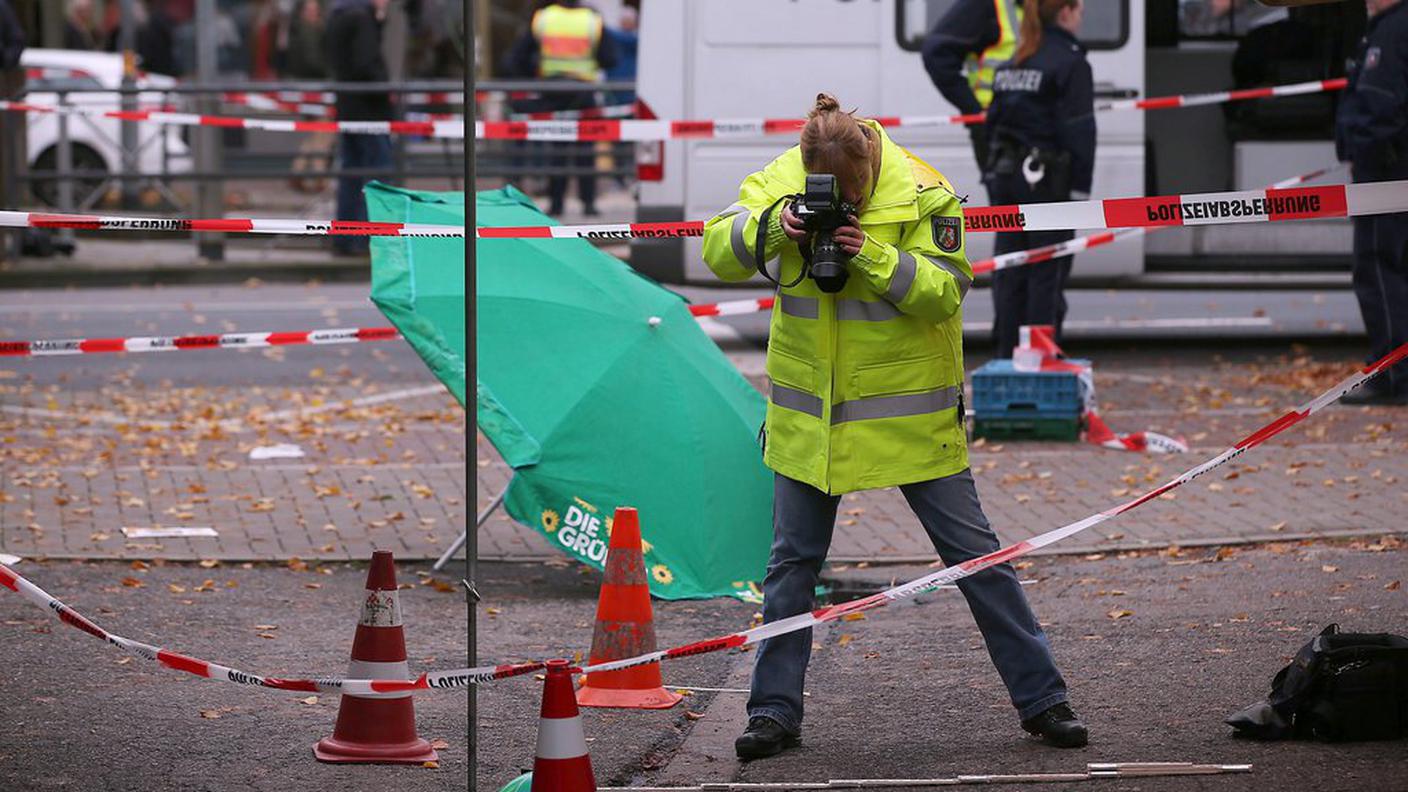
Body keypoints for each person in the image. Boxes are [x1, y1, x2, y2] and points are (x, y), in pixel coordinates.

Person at [702, 93, 1087, 761]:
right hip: (812, 424)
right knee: (790, 570)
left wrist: (870, 254)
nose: (838, 205)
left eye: (849, 197)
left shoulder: (924, 191)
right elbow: (717, 250)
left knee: (979, 560)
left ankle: (1045, 700)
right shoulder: (785, 177)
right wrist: (775, 225)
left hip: (909, 421)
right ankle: (771, 714)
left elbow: (946, 290)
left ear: (868, 166)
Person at [982, 0, 1094, 358]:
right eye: (1079, 9)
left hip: (1007, 180)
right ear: (1065, 12)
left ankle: (1005, 357)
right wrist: (1079, 193)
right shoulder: (1071, 62)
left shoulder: (1011, 63)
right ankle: (1037, 359)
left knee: (1010, 268)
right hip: (1048, 184)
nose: (1082, 15)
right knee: (1046, 272)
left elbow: (992, 127)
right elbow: (1080, 133)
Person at [1336, 0, 1408, 405]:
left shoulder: (1392, 31)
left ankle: (1391, 373)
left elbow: (1379, 105)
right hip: (1395, 171)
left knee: (1378, 269)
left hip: (1386, 174)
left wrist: (1360, 153)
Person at [505, 0, 618, 216]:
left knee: (557, 148)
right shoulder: (591, 20)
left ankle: (556, 204)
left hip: (553, 89)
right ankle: (588, 203)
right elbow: (610, 58)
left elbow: (517, 58)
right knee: (585, 150)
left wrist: (534, 74)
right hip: (582, 91)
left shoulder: (544, 19)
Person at [921, 0, 1023, 179]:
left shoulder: (1039, 7)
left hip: (1035, 122)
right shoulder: (986, 5)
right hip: (996, 126)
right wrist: (973, 109)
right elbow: (936, 53)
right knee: (1010, 201)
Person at [325, 0, 394, 256]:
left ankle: (345, 236)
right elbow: (366, 62)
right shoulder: (362, 19)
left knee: (351, 172)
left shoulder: (339, 15)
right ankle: (368, 236)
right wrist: (385, 91)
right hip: (369, 110)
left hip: (349, 107)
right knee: (378, 173)